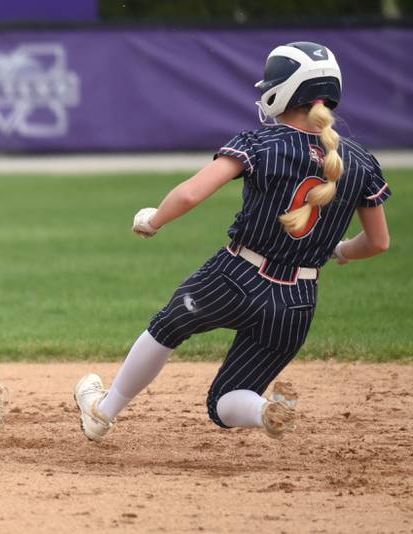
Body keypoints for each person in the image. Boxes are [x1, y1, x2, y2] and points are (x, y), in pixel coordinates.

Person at [74, 42, 391, 441]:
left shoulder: (260, 143)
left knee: (167, 328)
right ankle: (263, 410)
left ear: (282, 91)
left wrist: (153, 220)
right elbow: (379, 242)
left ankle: (103, 412)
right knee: (225, 402)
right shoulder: (361, 162)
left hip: (237, 274)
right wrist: (340, 251)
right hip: (298, 301)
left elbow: (190, 194)